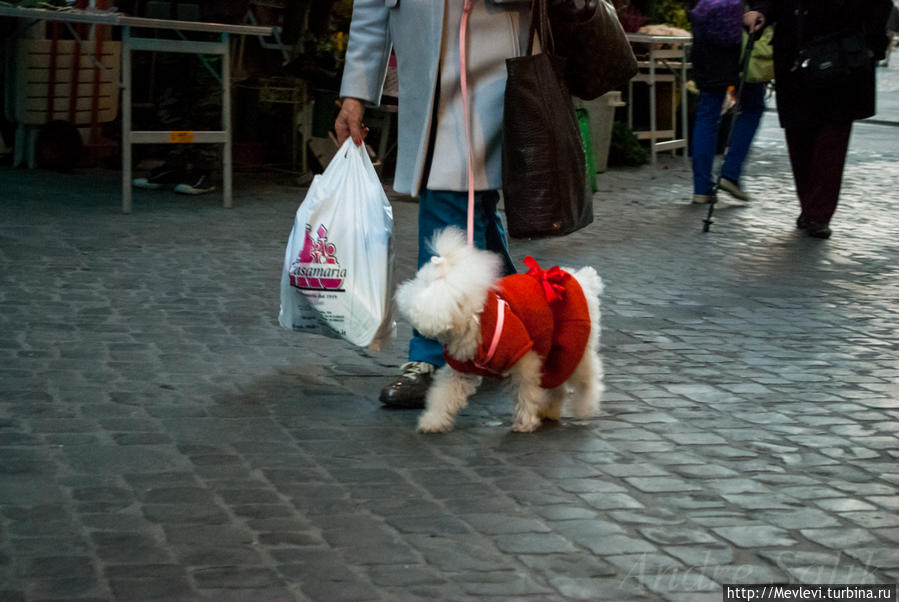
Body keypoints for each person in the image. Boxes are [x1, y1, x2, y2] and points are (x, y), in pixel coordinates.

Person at [335, 0, 530, 408]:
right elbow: (372, 6)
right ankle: (521, 318)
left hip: (494, 72)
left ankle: (433, 356)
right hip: (425, 84)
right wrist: (354, 92)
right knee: (465, 204)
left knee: (450, 201)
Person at [744, 0, 893, 238]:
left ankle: (818, 213)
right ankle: (810, 209)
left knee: (832, 138)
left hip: (843, 54)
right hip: (795, 54)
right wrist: (761, 11)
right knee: (799, 134)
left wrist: (872, 44)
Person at [689, 3, 767, 205]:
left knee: (707, 115)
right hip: (740, 45)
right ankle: (730, 172)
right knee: (752, 108)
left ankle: (701, 188)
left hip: (707, 46)